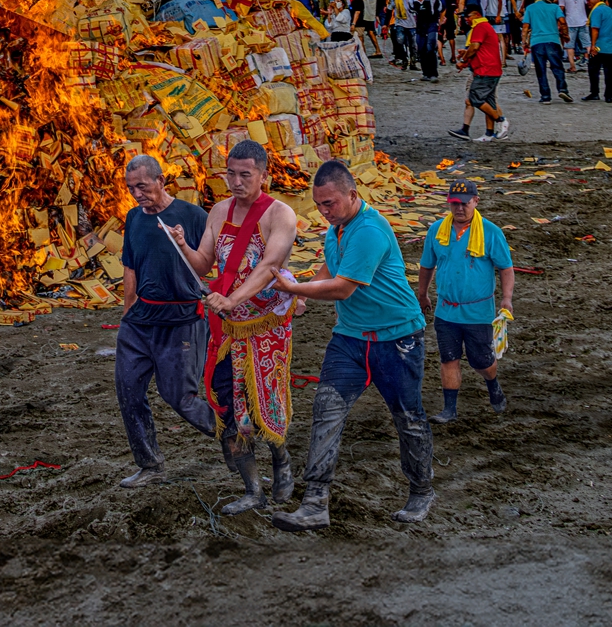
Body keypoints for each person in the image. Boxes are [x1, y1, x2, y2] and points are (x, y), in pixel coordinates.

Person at [269, 160, 434, 530]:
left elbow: (343, 287)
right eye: (320, 205)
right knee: (326, 410)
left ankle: (422, 490)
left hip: (398, 338)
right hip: (350, 338)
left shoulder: (370, 231)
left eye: (330, 203)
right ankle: (315, 502)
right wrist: (305, 296)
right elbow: (332, 267)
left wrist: (294, 288)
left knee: (407, 417)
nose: (324, 212)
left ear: (352, 195)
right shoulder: (338, 227)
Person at [161, 141, 298, 513]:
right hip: (225, 326)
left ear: (264, 175)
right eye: (230, 174)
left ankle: (281, 459)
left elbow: (270, 266)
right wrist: (183, 246)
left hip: (263, 324)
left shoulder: (280, 215)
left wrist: (234, 300)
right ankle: (252, 489)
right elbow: (204, 264)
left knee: (262, 402)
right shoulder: (219, 211)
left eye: (245, 175)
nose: (235, 182)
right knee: (227, 404)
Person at [109, 155, 217, 487]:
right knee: (128, 390)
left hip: (182, 320)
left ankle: (233, 432)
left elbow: (212, 261)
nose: (136, 193)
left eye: (142, 185)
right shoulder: (133, 219)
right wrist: (128, 313)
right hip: (140, 322)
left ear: (161, 181)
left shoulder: (192, 215)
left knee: (180, 397)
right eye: (130, 188)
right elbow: (130, 266)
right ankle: (150, 465)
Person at [416, 179, 514, 423]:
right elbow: (427, 266)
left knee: (481, 361)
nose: (459, 208)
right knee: (448, 358)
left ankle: (492, 384)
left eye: (464, 203)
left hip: (478, 313)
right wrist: (423, 294)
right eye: (454, 204)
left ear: (476, 201)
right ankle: (449, 409)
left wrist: (507, 298)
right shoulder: (437, 231)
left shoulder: (491, 232)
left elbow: (506, 268)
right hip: (446, 311)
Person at [450, 4, 507, 144]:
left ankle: (501, 120)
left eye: (467, 16)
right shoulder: (485, 27)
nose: (466, 19)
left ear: (476, 15)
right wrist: (466, 55)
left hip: (485, 70)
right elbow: (480, 48)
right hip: (491, 69)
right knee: (489, 101)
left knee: (475, 98)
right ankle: (489, 133)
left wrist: (464, 59)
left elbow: (475, 47)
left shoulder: (479, 27)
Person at [522, 0, 571, 103]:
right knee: (557, 67)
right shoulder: (554, 7)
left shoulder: (530, 8)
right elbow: (563, 22)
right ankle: (562, 89)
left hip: (536, 42)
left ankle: (545, 96)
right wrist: (565, 35)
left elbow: (525, 27)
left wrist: (524, 42)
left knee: (541, 70)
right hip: (552, 41)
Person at [583, 0, 612, 103]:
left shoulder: (597, 11)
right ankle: (609, 95)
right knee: (610, 73)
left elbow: (595, 29)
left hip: (600, 46)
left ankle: (595, 92)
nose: (587, 2)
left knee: (593, 69)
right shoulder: (609, 10)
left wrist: (593, 46)